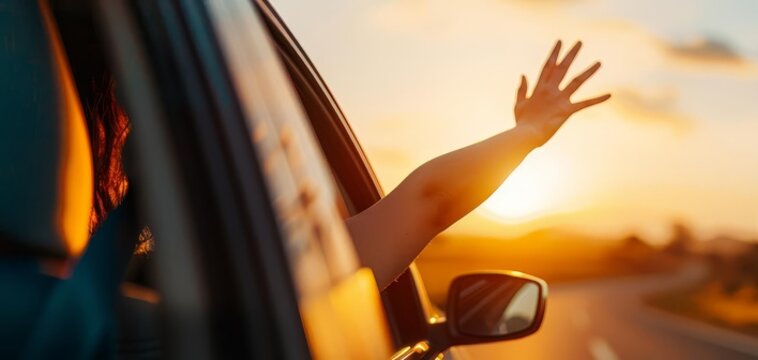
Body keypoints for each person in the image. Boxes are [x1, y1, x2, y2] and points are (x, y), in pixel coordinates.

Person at [85, 40, 609, 286]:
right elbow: (429, 201)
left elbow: (430, 199)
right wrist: (526, 136)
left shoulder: (61, 301)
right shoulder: (208, 282)